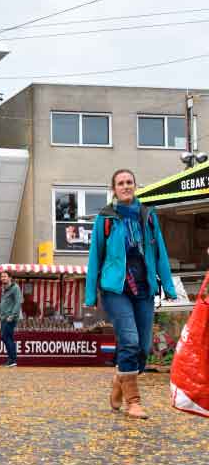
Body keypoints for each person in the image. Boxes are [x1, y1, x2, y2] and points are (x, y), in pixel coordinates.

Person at [86, 168, 177, 419]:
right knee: (129, 340)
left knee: (143, 347)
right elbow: (95, 256)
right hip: (115, 289)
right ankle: (133, 402)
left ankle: (120, 379)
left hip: (144, 287)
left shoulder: (148, 216)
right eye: (120, 183)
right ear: (113, 189)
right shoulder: (105, 218)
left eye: (129, 182)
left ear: (135, 185)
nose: (125, 186)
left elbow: (160, 253)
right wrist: (90, 295)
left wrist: (168, 286)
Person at [0, 271, 22, 368]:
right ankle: (11, 360)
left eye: (5, 276)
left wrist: (12, 316)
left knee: (5, 337)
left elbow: (18, 302)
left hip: (10, 318)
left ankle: (12, 360)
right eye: (2, 276)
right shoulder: (4, 288)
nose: (3, 278)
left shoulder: (15, 288)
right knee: (9, 338)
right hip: (4, 317)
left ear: (10, 278)